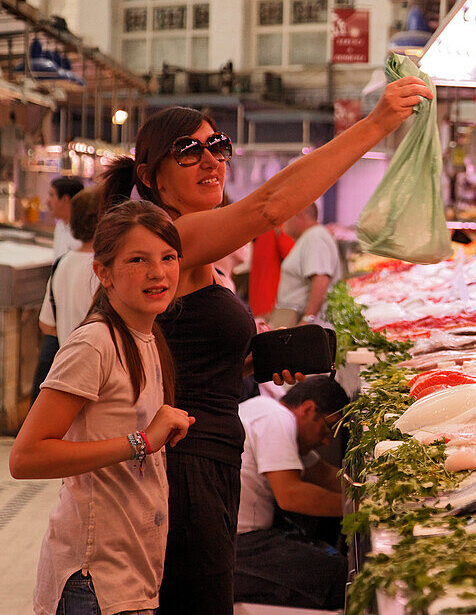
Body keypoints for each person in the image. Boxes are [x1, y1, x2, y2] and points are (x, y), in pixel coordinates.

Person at [98, 74, 430, 615]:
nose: (210, 160)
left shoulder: (198, 249)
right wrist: (375, 124)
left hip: (212, 457)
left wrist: (255, 357)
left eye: (217, 146)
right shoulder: (167, 240)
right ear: (149, 175)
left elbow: (183, 354)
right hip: (183, 464)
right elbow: (269, 206)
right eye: (188, 151)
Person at [9, 201, 195, 615]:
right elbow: (26, 457)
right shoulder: (94, 343)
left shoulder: (147, 336)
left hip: (132, 574)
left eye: (168, 257)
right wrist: (141, 441)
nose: (158, 273)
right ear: (103, 272)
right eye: (137, 260)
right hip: (92, 580)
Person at [234, 376, 349, 610]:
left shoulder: (266, 409)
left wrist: (370, 491)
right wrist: (360, 508)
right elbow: (291, 495)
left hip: (244, 537)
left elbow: (325, 475)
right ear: (308, 409)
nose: (327, 441)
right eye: (328, 428)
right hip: (241, 545)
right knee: (337, 573)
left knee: (329, 555)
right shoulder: (276, 418)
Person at [33, 188, 103, 401]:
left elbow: (46, 324)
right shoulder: (105, 268)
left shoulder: (62, 263)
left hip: (68, 373)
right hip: (99, 375)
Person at [268, 204, 342, 329]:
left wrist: (307, 319)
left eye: (286, 217)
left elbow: (321, 279)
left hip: (308, 325)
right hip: (297, 320)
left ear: (299, 214)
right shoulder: (309, 237)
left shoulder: (315, 236)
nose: (282, 223)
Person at [248, 227, 295, 317]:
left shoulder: (263, 227)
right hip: (272, 300)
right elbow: (293, 258)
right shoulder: (281, 226)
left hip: (257, 299)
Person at [46, 176, 85, 259]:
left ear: (65, 199)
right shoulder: (60, 226)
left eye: (51, 195)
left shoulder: (84, 233)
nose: (47, 202)